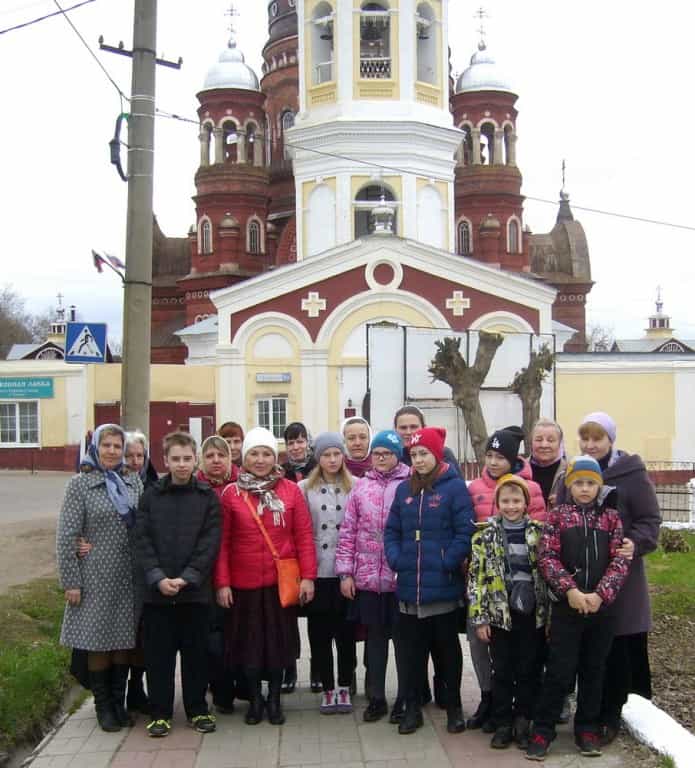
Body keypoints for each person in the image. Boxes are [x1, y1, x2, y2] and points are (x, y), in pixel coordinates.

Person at [526, 456, 630, 760]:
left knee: (593, 670)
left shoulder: (611, 519)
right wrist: (569, 590)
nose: (584, 489)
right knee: (559, 670)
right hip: (567, 608)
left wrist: (600, 595)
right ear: (569, 485)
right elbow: (546, 557)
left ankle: (587, 728)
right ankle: (542, 729)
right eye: (579, 483)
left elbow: (620, 561)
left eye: (591, 483)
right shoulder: (557, 517)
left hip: (601, 609)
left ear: (599, 486)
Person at [214, 427, 317, 726]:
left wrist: (308, 577)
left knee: (277, 646)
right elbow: (222, 543)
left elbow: (303, 536)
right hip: (243, 585)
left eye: (267, 454)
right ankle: (254, 701)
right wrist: (222, 582)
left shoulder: (289, 490)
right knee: (248, 646)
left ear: (276, 457)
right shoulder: (231, 493)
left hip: (279, 584)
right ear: (244, 457)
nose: (260, 460)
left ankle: (274, 699)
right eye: (254, 454)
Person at [575, 413, 661, 746]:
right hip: (588, 578)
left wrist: (634, 543)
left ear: (611, 440)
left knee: (625, 647)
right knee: (596, 650)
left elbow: (650, 520)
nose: (590, 445)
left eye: (597, 439)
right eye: (585, 438)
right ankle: (597, 712)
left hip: (624, 579)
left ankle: (629, 710)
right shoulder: (580, 472)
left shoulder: (632, 475)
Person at [385, 427, 474, 735]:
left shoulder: (454, 488)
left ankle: (454, 707)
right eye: (414, 455)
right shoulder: (404, 490)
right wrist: (397, 559)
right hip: (410, 588)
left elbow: (465, 532)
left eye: (424, 454)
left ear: (437, 455)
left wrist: (447, 561)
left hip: (444, 588)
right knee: (411, 655)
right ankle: (412, 708)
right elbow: (392, 531)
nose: (419, 460)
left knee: (447, 653)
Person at [57, 424, 143, 732]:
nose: (111, 451)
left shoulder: (132, 481)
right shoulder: (79, 485)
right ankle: (103, 707)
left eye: (117, 446)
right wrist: (71, 581)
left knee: (123, 641)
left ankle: (119, 704)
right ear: (96, 448)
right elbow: (67, 534)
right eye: (106, 445)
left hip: (128, 577)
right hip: (94, 576)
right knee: (98, 643)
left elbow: (142, 525)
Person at [136, 431, 221, 738]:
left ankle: (197, 710)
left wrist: (189, 577)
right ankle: (160, 713)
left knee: (196, 657)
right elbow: (142, 541)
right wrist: (157, 578)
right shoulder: (151, 496)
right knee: (158, 658)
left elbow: (209, 542)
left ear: (195, 458)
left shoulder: (206, 497)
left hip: (194, 594)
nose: (182, 465)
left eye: (187, 459)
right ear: (165, 460)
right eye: (176, 459)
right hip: (158, 596)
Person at [465, 426, 545, 731]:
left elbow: (545, 569)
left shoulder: (537, 532)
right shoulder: (485, 535)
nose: (511, 506)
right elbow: (477, 578)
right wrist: (480, 616)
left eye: (516, 501)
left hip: (529, 610)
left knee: (527, 665)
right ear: (497, 505)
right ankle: (500, 718)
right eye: (490, 455)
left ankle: (523, 717)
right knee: (501, 666)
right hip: (497, 609)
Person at [335, 429, 409, 724]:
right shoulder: (361, 487)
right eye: (377, 453)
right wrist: (345, 574)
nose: (380, 458)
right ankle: (376, 697)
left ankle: (405, 698)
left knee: (404, 644)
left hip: (399, 580)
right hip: (368, 581)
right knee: (375, 643)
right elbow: (348, 532)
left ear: (397, 455)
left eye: (387, 453)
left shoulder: (410, 485)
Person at [298, 432, 356, 714]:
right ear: (317, 458)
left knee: (346, 634)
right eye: (326, 455)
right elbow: (301, 531)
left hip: (346, 573)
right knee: (319, 635)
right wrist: (305, 574)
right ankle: (327, 687)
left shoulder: (356, 486)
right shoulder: (303, 489)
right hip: (317, 572)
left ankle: (345, 685)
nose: (332, 460)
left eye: (336, 454)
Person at [196, 435, 238, 714]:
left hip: (239, 569)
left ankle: (241, 686)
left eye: (221, 455)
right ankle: (219, 690)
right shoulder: (195, 487)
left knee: (236, 633)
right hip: (203, 574)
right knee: (211, 637)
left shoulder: (240, 486)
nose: (215, 461)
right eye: (210, 455)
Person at [280, 421, 318, 692]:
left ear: (308, 442)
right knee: (287, 616)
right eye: (291, 442)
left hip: (316, 547)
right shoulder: (278, 472)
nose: (296, 447)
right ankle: (288, 669)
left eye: (300, 440)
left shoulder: (319, 467)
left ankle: (318, 669)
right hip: (287, 554)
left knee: (316, 616)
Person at [393, 405, 462, 477]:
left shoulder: (443, 453)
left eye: (413, 427)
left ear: (424, 427)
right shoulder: (392, 457)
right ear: (395, 430)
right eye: (403, 428)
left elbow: (458, 484)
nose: (408, 432)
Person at [529, 418, 566, 508]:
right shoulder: (520, 471)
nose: (544, 445)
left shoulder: (570, 471)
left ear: (560, 443)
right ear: (531, 442)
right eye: (538, 440)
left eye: (550, 440)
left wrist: (566, 500)